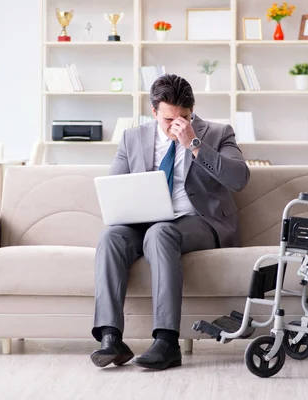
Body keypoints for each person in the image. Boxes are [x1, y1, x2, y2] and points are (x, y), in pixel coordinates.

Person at [90, 74, 250, 370]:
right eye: (168, 120)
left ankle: (167, 341)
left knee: (160, 233)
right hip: (143, 221)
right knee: (111, 237)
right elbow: (114, 186)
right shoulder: (132, 138)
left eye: (184, 118)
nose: (177, 126)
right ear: (153, 112)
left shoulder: (218, 132)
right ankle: (111, 338)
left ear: (192, 111)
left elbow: (239, 178)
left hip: (196, 222)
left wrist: (195, 144)